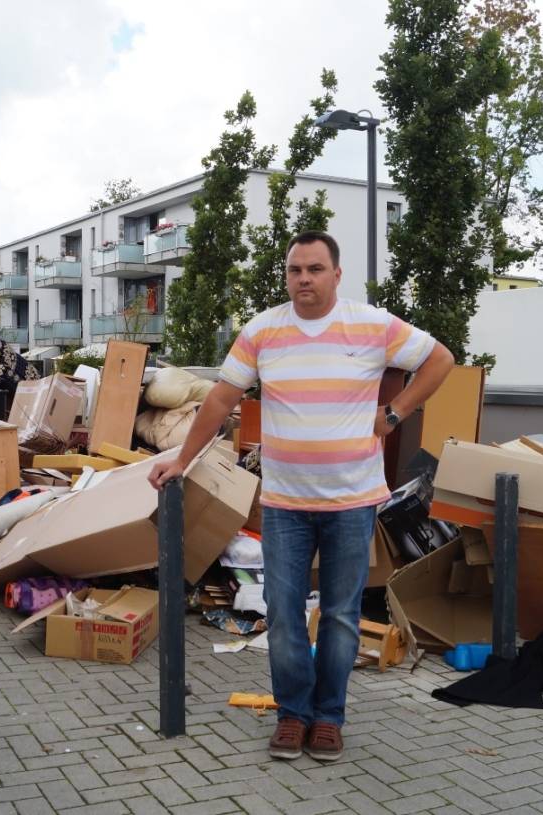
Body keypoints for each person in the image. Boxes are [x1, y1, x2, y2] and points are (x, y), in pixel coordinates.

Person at [149, 231, 453, 762]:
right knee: (284, 613)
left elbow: (440, 360)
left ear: (337, 274)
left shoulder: (373, 325)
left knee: (339, 614)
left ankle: (329, 717)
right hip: (286, 502)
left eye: (315, 269)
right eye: (295, 270)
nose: (304, 279)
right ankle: (293, 714)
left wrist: (394, 413)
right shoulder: (263, 331)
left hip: (352, 500)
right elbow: (220, 398)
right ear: (286, 275)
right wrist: (182, 460)